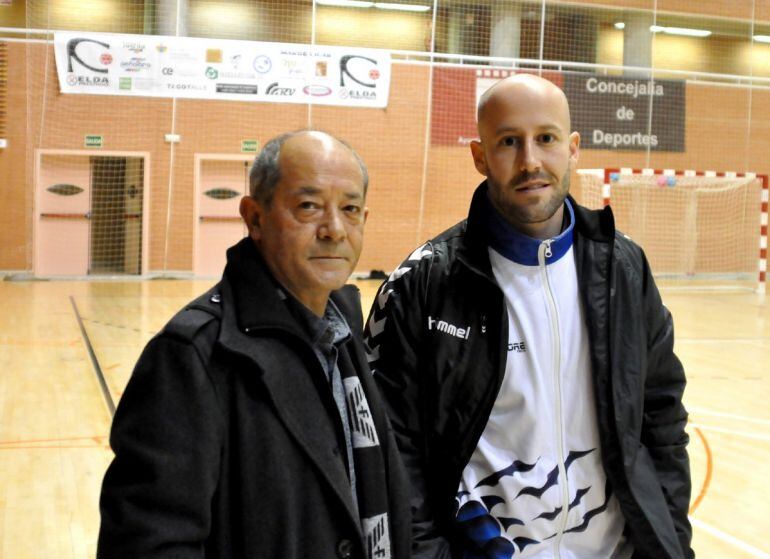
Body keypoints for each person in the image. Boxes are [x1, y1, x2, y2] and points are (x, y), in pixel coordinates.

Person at [364, 74, 693, 558]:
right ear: (480, 156)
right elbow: (396, 453)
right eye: (508, 142)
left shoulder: (623, 269)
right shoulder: (422, 285)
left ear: (572, 149)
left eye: (546, 139)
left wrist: (670, 544)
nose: (530, 161)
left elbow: (662, 417)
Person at [98, 130, 410, 559]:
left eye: (350, 209)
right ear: (255, 218)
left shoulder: (343, 329)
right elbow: (149, 543)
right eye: (308, 206)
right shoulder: (192, 355)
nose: (334, 230)